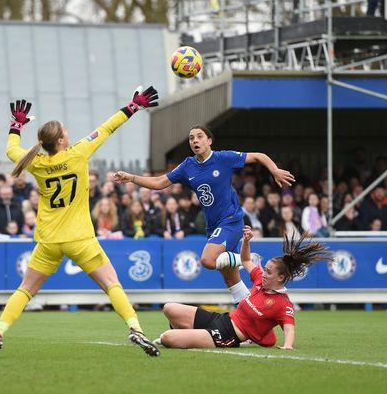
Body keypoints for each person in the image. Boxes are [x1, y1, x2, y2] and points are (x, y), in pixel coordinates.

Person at [0, 89, 161, 358]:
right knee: (112, 284)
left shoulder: (36, 163)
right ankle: (136, 329)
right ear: (63, 140)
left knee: (26, 290)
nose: (69, 133)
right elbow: (107, 128)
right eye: (66, 131)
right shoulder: (78, 153)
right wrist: (133, 106)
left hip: (48, 241)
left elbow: (11, 150)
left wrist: (16, 126)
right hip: (80, 239)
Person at [113, 126, 294, 303]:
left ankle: (247, 259)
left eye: (199, 136)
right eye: (191, 138)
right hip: (213, 225)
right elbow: (159, 182)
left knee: (208, 260)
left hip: (230, 220)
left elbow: (258, 156)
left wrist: (274, 170)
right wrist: (132, 178)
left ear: (209, 141)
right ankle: (249, 316)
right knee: (231, 280)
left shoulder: (223, 158)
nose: (195, 140)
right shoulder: (188, 166)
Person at [157, 226, 331, 350]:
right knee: (169, 308)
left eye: (268, 272)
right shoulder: (259, 280)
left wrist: (287, 346)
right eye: (264, 270)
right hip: (222, 319)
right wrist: (246, 241)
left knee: (167, 338)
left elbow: (289, 328)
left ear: (281, 277)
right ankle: (191, 335)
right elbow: (246, 260)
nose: (263, 273)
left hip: (228, 335)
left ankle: (189, 336)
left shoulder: (283, 304)